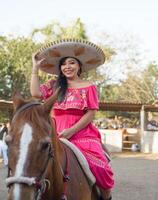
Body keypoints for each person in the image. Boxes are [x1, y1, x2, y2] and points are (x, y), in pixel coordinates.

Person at [30, 39, 114, 200]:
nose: (67, 66)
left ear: (79, 66)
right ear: (60, 68)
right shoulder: (54, 85)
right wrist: (35, 68)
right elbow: (35, 93)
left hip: (82, 134)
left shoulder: (89, 86)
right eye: (63, 64)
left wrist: (70, 131)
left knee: (102, 169)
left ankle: (107, 198)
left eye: (72, 63)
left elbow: (90, 113)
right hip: (55, 132)